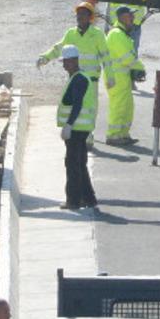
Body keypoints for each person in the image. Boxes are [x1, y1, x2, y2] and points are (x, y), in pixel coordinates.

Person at [36, 0, 116, 101]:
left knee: (89, 109)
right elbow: (59, 48)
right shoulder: (71, 33)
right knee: (75, 108)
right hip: (75, 78)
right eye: (78, 14)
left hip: (91, 79)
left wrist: (110, 76)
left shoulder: (97, 34)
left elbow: (106, 57)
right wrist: (45, 57)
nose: (80, 16)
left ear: (90, 17)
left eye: (83, 14)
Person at [57, 44, 100, 210]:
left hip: (76, 130)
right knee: (80, 163)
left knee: (73, 164)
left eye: (67, 61)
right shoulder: (78, 78)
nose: (64, 65)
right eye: (64, 61)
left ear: (75, 61)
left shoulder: (79, 79)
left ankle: (73, 200)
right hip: (80, 129)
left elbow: (77, 104)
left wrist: (68, 125)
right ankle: (88, 199)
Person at [104, 6, 146, 146]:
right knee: (119, 106)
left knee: (127, 106)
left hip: (122, 77)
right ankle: (113, 136)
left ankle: (123, 134)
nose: (133, 18)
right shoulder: (116, 34)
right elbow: (127, 58)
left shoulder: (122, 34)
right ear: (122, 17)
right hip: (116, 77)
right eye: (130, 15)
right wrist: (140, 68)